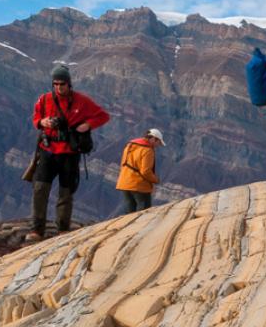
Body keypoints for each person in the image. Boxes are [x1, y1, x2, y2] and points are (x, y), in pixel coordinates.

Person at [28, 65, 110, 240]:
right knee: (40, 189)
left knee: (66, 192)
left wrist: (87, 125)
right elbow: (35, 118)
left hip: (70, 153)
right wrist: (43, 122)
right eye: (56, 84)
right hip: (47, 150)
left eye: (62, 84)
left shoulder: (82, 101)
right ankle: (36, 229)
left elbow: (103, 116)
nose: (59, 87)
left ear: (69, 83)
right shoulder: (44, 100)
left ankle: (63, 228)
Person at [116, 128, 165, 212]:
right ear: (153, 139)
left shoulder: (130, 146)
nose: (158, 145)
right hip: (139, 186)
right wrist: (156, 180)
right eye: (158, 142)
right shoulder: (147, 150)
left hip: (124, 183)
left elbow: (123, 163)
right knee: (144, 212)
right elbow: (145, 171)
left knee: (130, 212)